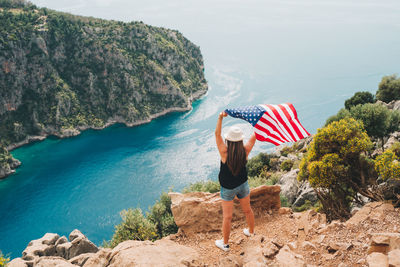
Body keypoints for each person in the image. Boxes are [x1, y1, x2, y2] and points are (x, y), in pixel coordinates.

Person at [214, 111, 256, 252]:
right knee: (248, 210)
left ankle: (225, 244)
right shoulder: (245, 151)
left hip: (227, 189)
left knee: (228, 217)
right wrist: (259, 121)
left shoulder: (224, 152)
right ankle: (251, 232)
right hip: (242, 185)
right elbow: (255, 136)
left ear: (229, 140)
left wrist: (220, 118)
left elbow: (217, 135)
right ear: (240, 140)